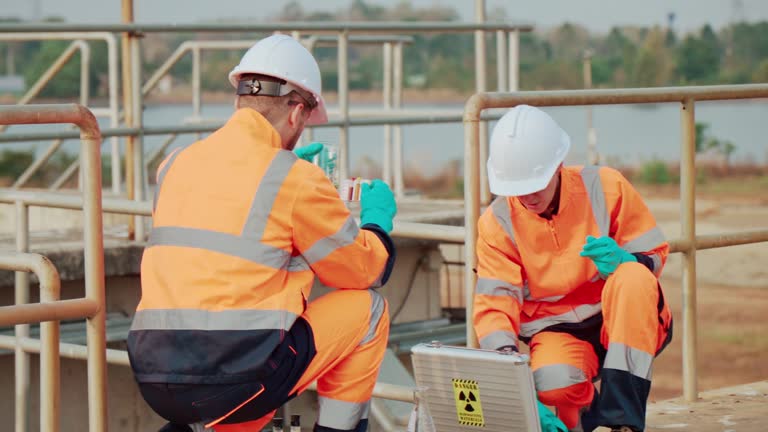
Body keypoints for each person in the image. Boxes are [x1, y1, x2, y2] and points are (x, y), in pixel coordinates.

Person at [127, 34, 398, 432]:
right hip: (234, 376)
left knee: (255, 356)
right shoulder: (294, 178)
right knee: (368, 310)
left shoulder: (175, 164)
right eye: (305, 122)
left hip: (155, 373)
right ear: (295, 113)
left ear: (240, 101)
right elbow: (360, 272)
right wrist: (376, 225)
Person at [473, 105, 673, 432]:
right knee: (553, 383)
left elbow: (654, 255)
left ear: (558, 166)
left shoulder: (606, 187)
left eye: (535, 184)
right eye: (517, 188)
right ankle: (590, 421)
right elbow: (495, 305)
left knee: (634, 276)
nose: (527, 196)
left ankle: (622, 422)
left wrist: (628, 260)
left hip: (623, 316)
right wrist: (512, 378)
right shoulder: (497, 223)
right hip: (555, 330)